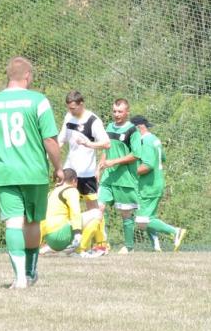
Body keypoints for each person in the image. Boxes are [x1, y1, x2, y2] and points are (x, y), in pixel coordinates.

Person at [0, 56, 64, 289]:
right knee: (32, 222)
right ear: (27, 75)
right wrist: (59, 168)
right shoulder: (39, 101)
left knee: (13, 223)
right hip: (34, 171)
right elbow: (50, 139)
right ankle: (30, 272)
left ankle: (18, 279)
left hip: (6, 172)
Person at [56, 90, 110, 253]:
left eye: (73, 108)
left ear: (81, 104)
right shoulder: (68, 117)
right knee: (63, 206)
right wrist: (51, 152)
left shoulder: (93, 121)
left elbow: (106, 143)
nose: (71, 111)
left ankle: (101, 243)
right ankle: (62, 241)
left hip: (87, 174)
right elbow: (61, 139)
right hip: (69, 172)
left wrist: (88, 144)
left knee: (94, 209)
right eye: (69, 108)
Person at [131, 115, 187, 252]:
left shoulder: (145, 142)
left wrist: (130, 173)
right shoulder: (155, 139)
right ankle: (156, 247)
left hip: (148, 186)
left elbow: (148, 165)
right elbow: (163, 158)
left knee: (141, 220)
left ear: (138, 128)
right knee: (149, 217)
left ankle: (175, 231)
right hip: (156, 183)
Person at [97, 98, 141, 254]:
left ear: (127, 112)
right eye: (114, 111)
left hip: (125, 179)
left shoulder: (132, 131)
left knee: (126, 213)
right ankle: (101, 244)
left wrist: (114, 162)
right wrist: (99, 168)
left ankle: (129, 247)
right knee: (99, 208)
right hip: (108, 177)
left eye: (120, 111)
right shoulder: (109, 127)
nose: (116, 114)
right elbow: (106, 149)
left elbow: (136, 154)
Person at [40, 168, 107, 257]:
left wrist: (40, 241)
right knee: (97, 213)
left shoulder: (51, 192)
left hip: (49, 239)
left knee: (70, 220)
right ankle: (80, 250)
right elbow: (75, 213)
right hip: (61, 236)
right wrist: (77, 233)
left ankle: (51, 248)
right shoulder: (71, 190)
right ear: (74, 180)